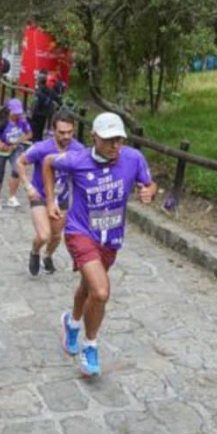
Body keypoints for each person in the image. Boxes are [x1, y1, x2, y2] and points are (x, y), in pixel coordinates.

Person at [44, 112, 157, 377]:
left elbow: (150, 183)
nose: (114, 146)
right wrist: (50, 201)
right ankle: (90, 347)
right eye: (108, 140)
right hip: (80, 232)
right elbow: (48, 163)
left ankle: (72, 323)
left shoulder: (133, 158)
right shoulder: (77, 160)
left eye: (118, 139)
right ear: (93, 137)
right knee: (101, 291)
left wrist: (149, 190)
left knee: (89, 289)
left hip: (111, 238)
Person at [17, 111, 83, 276]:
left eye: (70, 132)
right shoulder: (42, 148)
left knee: (55, 236)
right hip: (40, 195)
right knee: (44, 234)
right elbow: (20, 162)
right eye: (62, 132)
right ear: (53, 130)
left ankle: (48, 256)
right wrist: (27, 186)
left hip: (61, 197)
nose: (66, 136)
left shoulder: (78, 149)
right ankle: (35, 251)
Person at [0, 99, 32, 211]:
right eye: (15, 113)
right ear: (9, 111)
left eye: (19, 113)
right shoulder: (1, 121)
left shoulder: (22, 121)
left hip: (15, 150)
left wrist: (18, 142)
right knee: (0, 175)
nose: (17, 115)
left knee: (17, 170)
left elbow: (29, 134)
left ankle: (12, 196)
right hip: (1, 152)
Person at [29, 74, 62, 143]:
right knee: (40, 131)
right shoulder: (50, 91)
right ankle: (38, 143)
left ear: (38, 81)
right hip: (44, 114)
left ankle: (34, 144)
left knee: (33, 131)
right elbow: (59, 101)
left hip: (36, 114)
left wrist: (31, 113)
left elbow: (35, 103)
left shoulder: (38, 91)